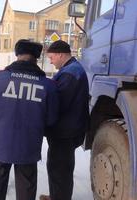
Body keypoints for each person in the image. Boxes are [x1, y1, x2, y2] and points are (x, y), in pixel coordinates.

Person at [0, 39, 59, 200]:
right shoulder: (48, 85)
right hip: (29, 144)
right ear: (36, 58)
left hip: (0, 142)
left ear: (17, 55)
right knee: (26, 186)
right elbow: (51, 119)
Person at [39, 40, 89, 200]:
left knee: (59, 170)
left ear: (61, 54)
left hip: (65, 132)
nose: (51, 61)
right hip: (68, 129)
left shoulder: (69, 73)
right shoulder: (72, 69)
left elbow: (58, 103)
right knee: (59, 168)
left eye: (52, 57)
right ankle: (56, 196)